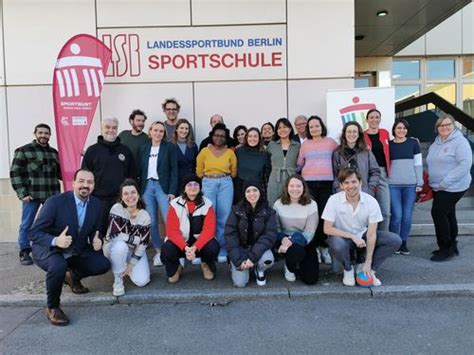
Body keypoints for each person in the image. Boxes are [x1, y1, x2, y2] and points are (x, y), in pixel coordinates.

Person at [29, 169, 111, 326]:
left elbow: (95, 229)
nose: (85, 185)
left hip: (75, 249)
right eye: (81, 181)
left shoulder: (96, 204)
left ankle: (72, 277)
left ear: (94, 185)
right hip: (49, 248)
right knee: (58, 265)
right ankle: (53, 307)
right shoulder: (55, 202)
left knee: (103, 264)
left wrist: (97, 239)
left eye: (89, 182)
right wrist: (55, 240)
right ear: (73, 183)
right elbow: (33, 232)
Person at [323, 168, 401, 287]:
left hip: (363, 237)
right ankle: (348, 270)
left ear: (360, 183)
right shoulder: (333, 200)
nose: (351, 186)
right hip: (342, 238)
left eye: (354, 182)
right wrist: (352, 236)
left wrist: (368, 262)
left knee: (394, 240)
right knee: (336, 243)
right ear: (341, 186)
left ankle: (369, 270)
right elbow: (327, 229)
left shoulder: (371, 201)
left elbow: (371, 234)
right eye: (346, 183)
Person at [10, 123, 61, 265]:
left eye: (46, 133)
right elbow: (15, 173)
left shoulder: (54, 153)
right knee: (27, 223)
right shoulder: (24, 151)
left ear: (50, 135)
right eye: (41, 133)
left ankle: (49, 246)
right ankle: (25, 250)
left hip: (51, 194)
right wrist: (22, 193)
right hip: (32, 194)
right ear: (35, 133)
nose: (43, 135)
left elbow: (61, 174)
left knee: (52, 222)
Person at [427, 115, 472, 262]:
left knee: (438, 212)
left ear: (453, 125)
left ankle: (445, 249)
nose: (444, 127)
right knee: (448, 214)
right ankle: (452, 245)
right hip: (439, 187)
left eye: (447, 124)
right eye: (440, 125)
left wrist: (445, 182)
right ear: (437, 128)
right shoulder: (436, 143)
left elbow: (465, 164)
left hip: (453, 186)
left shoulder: (460, 142)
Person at [82, 117, 136, 234]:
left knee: (120, 230)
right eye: (107, 127)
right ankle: (98, 250)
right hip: (98, 199)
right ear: (102, 129)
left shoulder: (125, 150)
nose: (111, 130)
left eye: (114, 128)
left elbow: (132, 175)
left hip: (120, 199)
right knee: (99, 229)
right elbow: (85, 176)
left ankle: (119, 251)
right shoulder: (92, 151)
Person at [162, 175, 219, 283]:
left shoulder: (207, 204)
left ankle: (206, 263)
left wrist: (195, 247)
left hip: (200, 243)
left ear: (200, 187)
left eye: (196, 184)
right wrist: (185, 248)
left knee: (213, 246)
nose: (193, 187)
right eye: (189, 184)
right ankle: (176, 267)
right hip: (181, 242)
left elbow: (209, 231)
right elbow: (172, 232)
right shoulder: (174, 204)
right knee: (167, 249)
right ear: (184, 188)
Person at [296, 116, 337, 264]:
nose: (314, 129)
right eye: (311, 127)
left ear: (322, 127)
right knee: (312, 217)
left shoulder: (331, 143)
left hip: (326, 184)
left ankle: (324, 247)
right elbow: (299, 165)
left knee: (324, 217)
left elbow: (338, 160)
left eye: (317, 126)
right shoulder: (305, 144)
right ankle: (313, 249)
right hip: (309, 184)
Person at [138, 121, 178, 267]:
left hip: (163, 187)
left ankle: (173, 250)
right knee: (152, 221)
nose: (158, 133)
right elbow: (140, 170)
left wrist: (172, 191)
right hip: (147, 187)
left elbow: (174, 170)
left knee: (170, 220)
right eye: (155, 130)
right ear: (150, 131)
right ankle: (159, 252)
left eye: (161, 131)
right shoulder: (143, 148)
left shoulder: (169, 148)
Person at [196, 123, 237, 262]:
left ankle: (222, 248)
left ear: (226, 138)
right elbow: (199, 170)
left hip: (226, 183)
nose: (219, 138)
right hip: (208, 183)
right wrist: (209, 179)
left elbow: (234, 171)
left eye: (222, 136)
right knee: (208, 215)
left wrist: (223, 178)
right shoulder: (204, 152)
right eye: (216, 135)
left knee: (224, 217)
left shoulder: (230, 152)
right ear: (212, 136)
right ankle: (207, 247)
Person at [103, 179, 151, 296]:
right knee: (120, 246)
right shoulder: (116, 209)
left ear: (138, 195)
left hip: (133, 250)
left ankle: (124, 265)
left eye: (133, 192)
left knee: (142, 281)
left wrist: (131, 265)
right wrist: (136, 239)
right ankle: (118, 279)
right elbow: (115, 235)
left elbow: (143, 244)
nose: (130, 196)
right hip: (113, 247)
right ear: (121, 197)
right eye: (126, 193)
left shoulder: (145, 215)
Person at [225, 180, 277, 287]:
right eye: (248, 191)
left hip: (258, 250)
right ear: (244, 194)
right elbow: (230, 235)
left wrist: (252, 258)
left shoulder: (269, 212)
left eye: (255, 190)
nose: (252, 194)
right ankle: (234, 263)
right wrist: (239, 260)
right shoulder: (236, 210)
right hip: (240, 250)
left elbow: (269, 236)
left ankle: (259, 269)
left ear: (260, 192)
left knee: (268, 259)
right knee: (240, 283)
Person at [273, 175, 319, 285]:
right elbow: (276, 228)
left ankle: (300, 263)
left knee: (311, 280)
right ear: (286, 188)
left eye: (298, 186)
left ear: (304, 188)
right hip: (284, 241)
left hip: (304, 240)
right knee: (296, 251)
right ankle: (289, 266)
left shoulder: (312, 205)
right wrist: (284, 239)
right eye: (292, 186)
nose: (295, 189)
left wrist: (290, 240)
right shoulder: (278, 204)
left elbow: (310, 232)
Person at [388, 119, 423, 255]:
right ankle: (395, 242)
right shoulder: (389, 145)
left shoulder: (413, 143)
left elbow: (418, 164)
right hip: (393, 185)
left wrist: (419, 182)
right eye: (398, 128)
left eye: (404, 128)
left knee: (407, 216)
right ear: (394, 130)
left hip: (410, 185)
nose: (401, 130)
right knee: (397, 215)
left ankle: (403, 242)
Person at [332, 121, 380, 196]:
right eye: (349, 132)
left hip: (364, 193)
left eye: (354, 132)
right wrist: (339, 190)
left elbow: (375, 171)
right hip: (343, 194)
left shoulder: (366, 151)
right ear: (344, 134)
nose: (352, 134)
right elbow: (335, 174)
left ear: (358, 135)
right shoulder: (337, 152)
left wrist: (370, 190)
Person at [363, 109, 391, 231]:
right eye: (371, 117)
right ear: (367, 120)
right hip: (367, 175)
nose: (374, 120)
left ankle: (382, 240)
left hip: (383, 174)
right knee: (367, 212)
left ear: (380, 119)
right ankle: (368, 240)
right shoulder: (361, 135)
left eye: (377, 117)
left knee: (385, 212)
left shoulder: (385, 133)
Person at [266, 118, 300, 207]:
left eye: (285, 127)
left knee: (291, 204)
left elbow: (301, 162)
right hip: (274, 178)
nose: (282, 130)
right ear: (276, 131)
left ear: (290, 129)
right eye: (279, 128)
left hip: (291, 179)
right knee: (272, 204)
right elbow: (265, 161)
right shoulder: (271, 145)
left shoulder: (297, 145)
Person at [234, 127, 271, 203]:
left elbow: (268, 172)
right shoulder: (238, 151)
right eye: (250, 136)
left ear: (259, 138)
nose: (252, 139)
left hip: (256, 189)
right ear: (246, 138)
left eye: (255, 136)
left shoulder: (265, 154)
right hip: (240, 188)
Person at [172, 118, 198, 190]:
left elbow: (196, 164)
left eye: (186, 128)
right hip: (176, 182)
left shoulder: (193, 145)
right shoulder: (170, 146)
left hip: (191, 182)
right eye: (181, 128)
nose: (184, 131)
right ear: (176, 129)